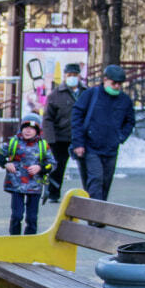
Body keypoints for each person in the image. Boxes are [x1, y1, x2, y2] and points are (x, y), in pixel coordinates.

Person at [71, 64, 135, 203]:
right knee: (96, 178)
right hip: (90, 146)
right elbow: (76, 117)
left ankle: (99, 214)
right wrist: (78, 143)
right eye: (114, 83)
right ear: (105, 79)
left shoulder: (124, 100)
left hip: (111, 148)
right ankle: (94, 217)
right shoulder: (91, 94)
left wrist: (120, 136)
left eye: (120, 84)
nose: (117, 86)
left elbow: (130, 121)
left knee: (106, 182)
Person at [0, 114, 56, 235]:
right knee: (17, 215)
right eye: (25, 127)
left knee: (32, 218)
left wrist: (40, 167)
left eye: (32, 128)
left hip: (35, 186)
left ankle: (29, 242)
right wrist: (6, 163)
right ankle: (14, 240)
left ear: (38, 131)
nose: (28, 131)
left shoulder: (42, 145)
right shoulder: (14, 142)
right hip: (16, 185)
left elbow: (52, 163)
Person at [41, 63, 82, 202]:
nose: (72, 78)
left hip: (80, 138)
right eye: (69, 75)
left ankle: (91, 194)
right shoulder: (56, 94)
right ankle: (53, 193)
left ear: (79, 76)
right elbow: (47, 118)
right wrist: (50, 139)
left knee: (87, 168)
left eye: (74, 75)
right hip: (60, 137)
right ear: (65, 76)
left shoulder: (86, 92)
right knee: (57, 167)